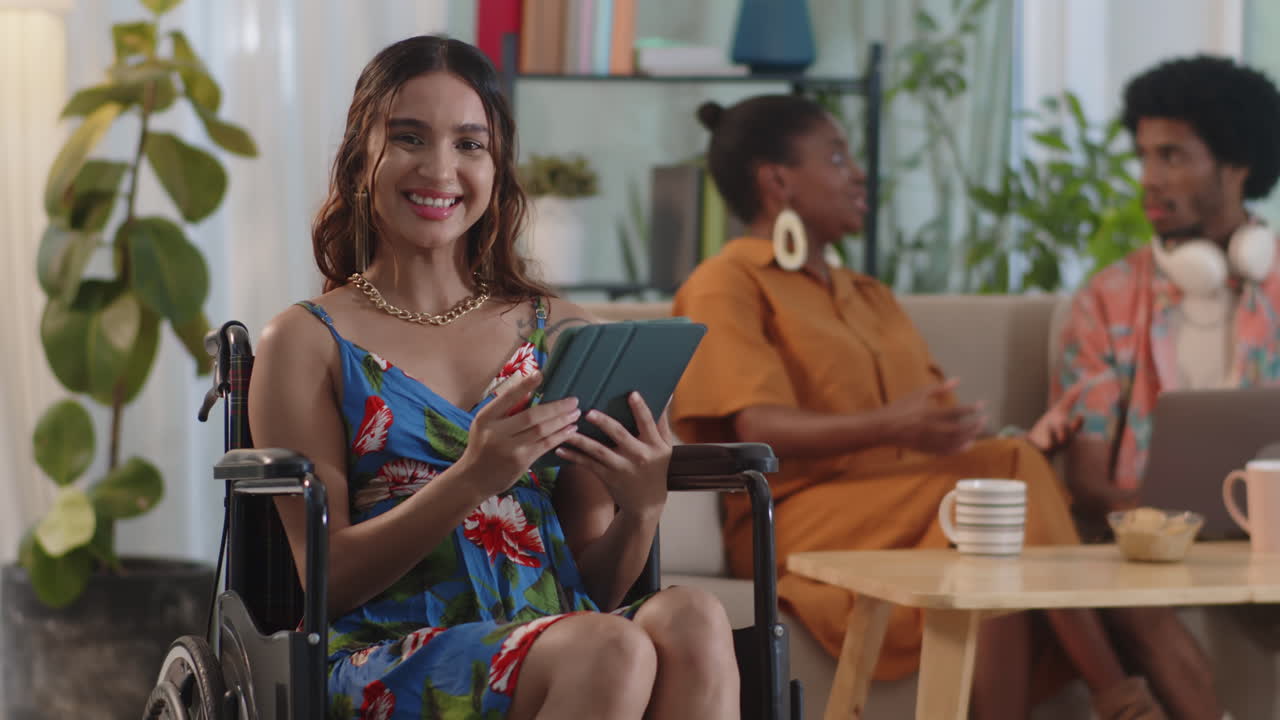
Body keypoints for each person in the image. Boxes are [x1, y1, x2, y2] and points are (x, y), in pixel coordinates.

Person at [671, 94, 1221, 719]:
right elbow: (755, 425)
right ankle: (1119, 696)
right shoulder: (727, 281)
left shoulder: (869, 295)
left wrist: (1027, 445)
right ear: (777, 181)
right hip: (794, 517)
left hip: (911, 505)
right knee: (999, 490)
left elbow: (939, 433)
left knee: (994, 520)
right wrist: (897, 425)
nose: (859, 174)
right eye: (836, 157)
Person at [248, 35, 738, 720]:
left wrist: (643, 508)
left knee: (694, 617)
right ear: (363, 153)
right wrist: (473, 476)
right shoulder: (306, 341)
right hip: (391, 654)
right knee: (608, 648)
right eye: (410, 137)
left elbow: (593, 583)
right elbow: (327, 585)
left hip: (566, 635)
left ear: (498, 163)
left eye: (469, 144)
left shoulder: (565, 332)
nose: (440, 169)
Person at [1043, 55, 1280, 528]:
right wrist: (1171, 530)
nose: (1148, 179)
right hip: (1151, 547)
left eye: (1171, 155)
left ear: (1237, 165)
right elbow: (1088, 484)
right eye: (1144, 155)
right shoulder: (1106, 300)